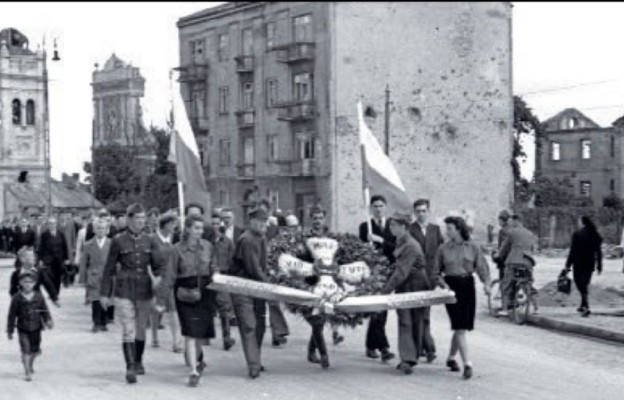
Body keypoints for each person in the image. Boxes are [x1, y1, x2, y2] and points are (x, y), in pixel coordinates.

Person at [99, 203, 162, 384]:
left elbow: (157, 267)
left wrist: (158, 281)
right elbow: (109, 269)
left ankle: (139, 360)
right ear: (129, 219)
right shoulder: (118, 240)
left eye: (143, 219)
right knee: (128, 329)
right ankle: (130, 367)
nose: (141, 222)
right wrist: (104, 294)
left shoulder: (150, 240)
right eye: (137, 219)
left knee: (141, 329)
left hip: (144, 290)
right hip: (124, 289)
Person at [434, 216, 491, 380]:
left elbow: (482, 268)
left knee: (462, 327)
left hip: (468, 286)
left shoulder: (473, 247)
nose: (447, 231)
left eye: (450, 228)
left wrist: (487, 284)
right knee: (459, 326)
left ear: (459, 229)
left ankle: (451, 358)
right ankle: (467, 364)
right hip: (451, 288)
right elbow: (435, 272)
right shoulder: (443, 248)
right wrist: (443, 284)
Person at [164, 214, 216, 387]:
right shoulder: (176, 250)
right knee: (191, 333)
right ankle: (193, 370)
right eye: (196, 228)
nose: (199, 232)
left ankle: (198, 358)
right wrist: (161, 300)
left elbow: (213, 268)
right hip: (185, 293)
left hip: (205, 292)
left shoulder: (208, 247)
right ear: (187, 229)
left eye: (201, 228)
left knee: (200, 333)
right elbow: (170, 276)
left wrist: (217, 277)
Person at [382, 212, 429, 375]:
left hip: (414, 284)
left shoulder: (409, 245)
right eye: (390, 225)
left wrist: (385, 291)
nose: (391, 228)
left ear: (403, 227)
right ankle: (409, 358)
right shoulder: (401, 241)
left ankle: (409, 358)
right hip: (407, 284)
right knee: (407, 321)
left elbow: (401, 272)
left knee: (410, 321)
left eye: (394, 225)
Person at [228, 207, 270, 379]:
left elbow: (263, 265)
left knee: (259, 324)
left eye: (265, 221)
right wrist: (271, 285)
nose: (263, 224)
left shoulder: (260, 237)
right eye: (259, 221)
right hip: (242, 286)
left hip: (256, 287)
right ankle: (253, 365)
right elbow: (254, 269)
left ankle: (256, 360)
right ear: (250, 221)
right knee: (249, 325)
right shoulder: (248, 240)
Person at [358, 194, 396, 362]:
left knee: (381, 308)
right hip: (373, 271)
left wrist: (380, 240)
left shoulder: (393, 225)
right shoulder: (365, 226)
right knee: (378, 308)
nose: (378, 209)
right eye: (375, 206)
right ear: (371, 208)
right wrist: (367, 245)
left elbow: (396, 249)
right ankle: (384, 347)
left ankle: (371, 345)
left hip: (389, 271)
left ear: (385, 207)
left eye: (381, 206)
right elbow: (360, 250)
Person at [408, 199, 444, 363]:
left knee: (425, 314)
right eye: (418, 211)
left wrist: (439, 274)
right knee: (418, 314)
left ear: (428, 211)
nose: (421, 214)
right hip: (415, 277)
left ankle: (422, 347)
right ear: (414, 213)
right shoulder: (410, 230)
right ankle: (426, 348)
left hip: (431, 277)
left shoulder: (435, 230)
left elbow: (440, 252)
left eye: (423, 211)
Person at [7, 270, 54, 381]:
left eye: (30, 282)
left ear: (34, 283)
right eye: (25, 282)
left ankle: (30, 363)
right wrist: (10, 331)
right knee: (25, 349)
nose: (28, 284)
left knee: (35, 350)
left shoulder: (39, 296)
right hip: (22, 327)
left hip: (36, 327)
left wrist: (48, 320)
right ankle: (27, 371)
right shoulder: (17, 298)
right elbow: (11, 315)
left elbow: (44, 310)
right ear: (21, 283)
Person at [151, 213, 183, 352]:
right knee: (157, 309)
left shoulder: (175, 238)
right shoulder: (152, 239)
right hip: (157, 277)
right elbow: (147, 261)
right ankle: (154, 336)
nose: (174, 227)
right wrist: (152, 278)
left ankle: (176, 342)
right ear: (165, 224)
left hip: (171, 277)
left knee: (173, 309)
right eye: (172, 224)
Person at [496, 214, 537, 317]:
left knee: (507, 284)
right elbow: (533, 248)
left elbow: (504, 248)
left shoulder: (511, 232)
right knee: (528, 283)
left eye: (511, 221)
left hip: (513, 261)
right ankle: (535, 307)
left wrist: (498, 255)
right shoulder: (530, 233)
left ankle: (505, 309)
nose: (510, 223)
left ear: (516, 221)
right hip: (528, 261)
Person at [565, 215, 602, 317]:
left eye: (579, 221)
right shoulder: (595, 235)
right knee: (585, 284)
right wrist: (599, 265)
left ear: (582, 222)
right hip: (590, 263)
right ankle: (582, 304)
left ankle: (586, 306)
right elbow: (598, 252)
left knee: (579, 283)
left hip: (578, 263)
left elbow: (572, 251)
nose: (578, 223)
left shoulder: (577, 234)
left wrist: (567, 265)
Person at [209, 212, 237, 351]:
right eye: (212, 224)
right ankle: (205, 336)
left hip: (222, 277)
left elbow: (233, 261)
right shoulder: (205, 241)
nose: (214, 227)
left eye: (217, 224)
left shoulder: (227, 242)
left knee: (224, 308)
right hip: (206, 278)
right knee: (207, 308)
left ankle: (226, 338)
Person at [80, 218, 112, 333]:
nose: (100, 231)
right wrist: (82, 278)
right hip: (93, 275)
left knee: (105, 299)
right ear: (94, 230)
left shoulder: (111, 243)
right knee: (95, 300)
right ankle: (96, 322)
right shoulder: (88, 244)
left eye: (103, 228)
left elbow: (114, 261)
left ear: (107, 230)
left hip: (107, 276)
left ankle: (103, 322)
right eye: (98, 228)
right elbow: (83, 262)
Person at [37, 216, 69, 296]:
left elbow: (65, 246)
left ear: (56, 224)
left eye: (54, 223)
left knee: (58, 277)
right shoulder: (44, 235)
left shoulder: (61, 234)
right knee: (50, 277)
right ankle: (52, 292)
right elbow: (41, 247)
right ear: (48, 225)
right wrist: (40, 259)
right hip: (48, 260)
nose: (52, 225)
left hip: (59, 259)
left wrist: (66, 258)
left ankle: (56, 292)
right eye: (50, 223)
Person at [491, 210, 512, 281]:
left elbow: (503, 247)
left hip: (505, 260)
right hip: (513, 258)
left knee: (503, 280)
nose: (498, 221)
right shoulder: (512, 229)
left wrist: (497, 255)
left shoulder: (502, 231)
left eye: (499, 220)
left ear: (502, 220)